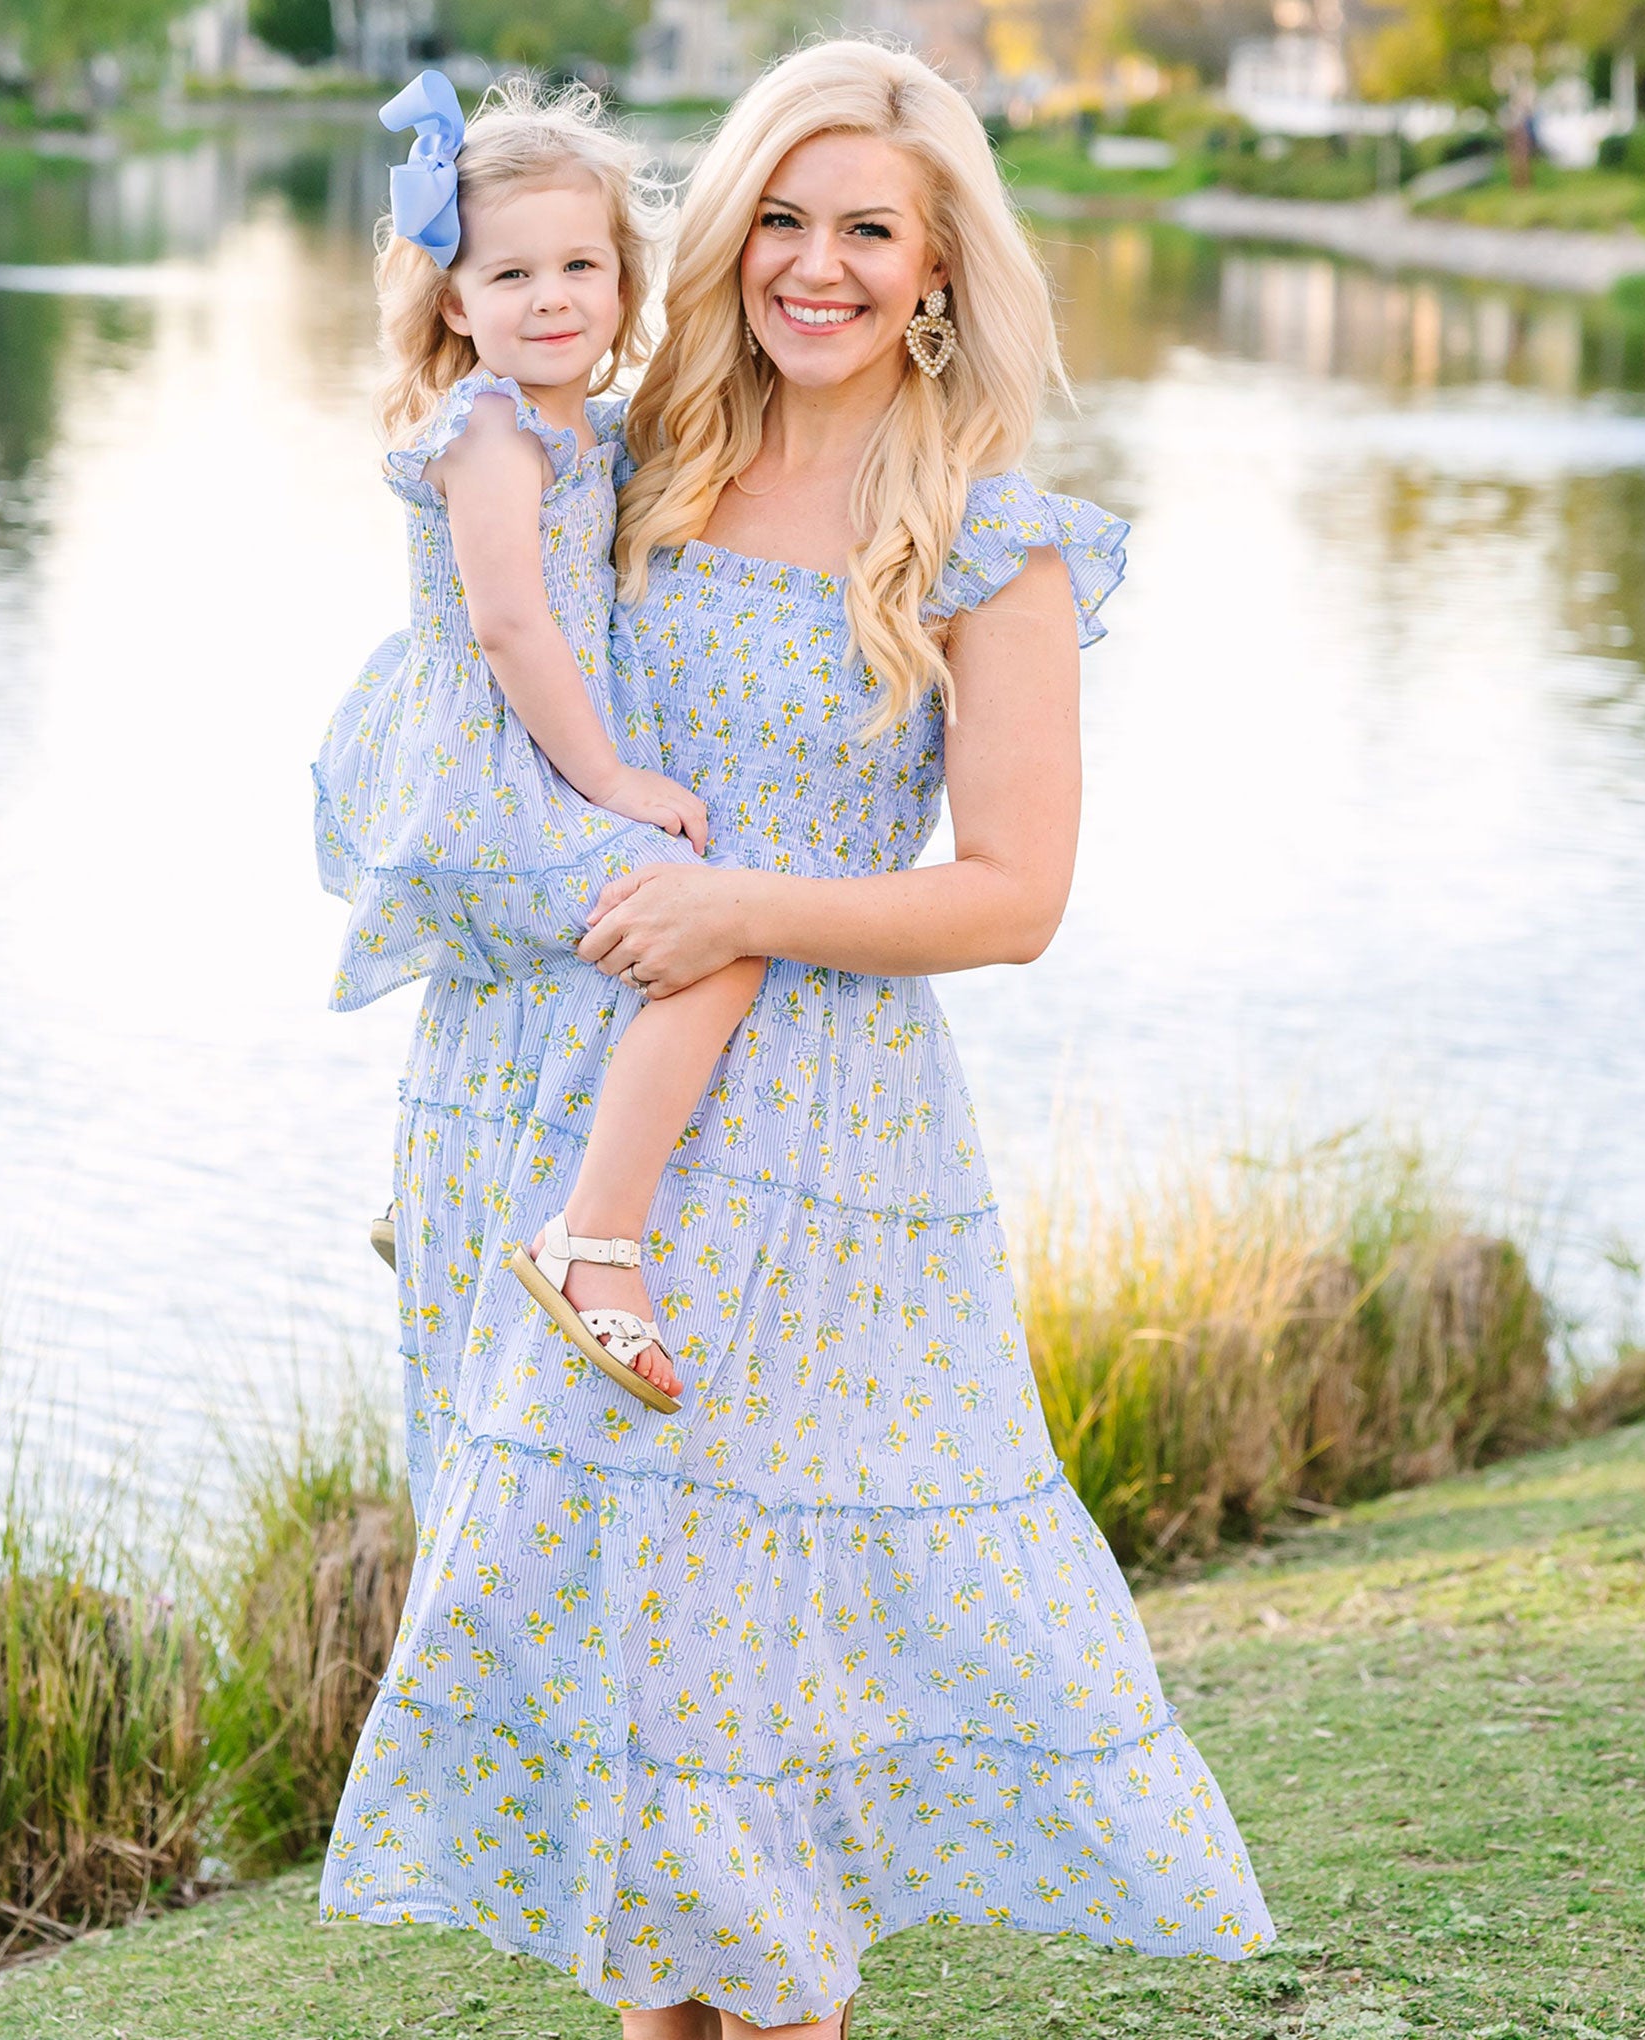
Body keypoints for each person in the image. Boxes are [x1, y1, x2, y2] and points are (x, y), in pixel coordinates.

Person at [320, 40, 1274, 2038]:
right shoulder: (628, 439)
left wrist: (745, 905)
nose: (817, 266)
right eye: (782, 216)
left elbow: (1014, 895)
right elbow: (471, 659)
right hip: (545, 1118)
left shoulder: (984, 533)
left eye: (870, 230)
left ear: (938, 269)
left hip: (809, 1165)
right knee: (626, 1727)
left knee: (739, 1743)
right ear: (725, 226)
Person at [314, 72, 763, 1416]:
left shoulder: (580, 421)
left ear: (624, 284)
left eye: (581, 265)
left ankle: (447, 1198)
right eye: (512, 273)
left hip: (525, 750)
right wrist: (615, 780)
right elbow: (513, 627)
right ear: (453, 299)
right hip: (496, 761)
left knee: (600, 969)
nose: (553, 296)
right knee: (717, 938)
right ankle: (592, 1242)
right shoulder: (490, 431)